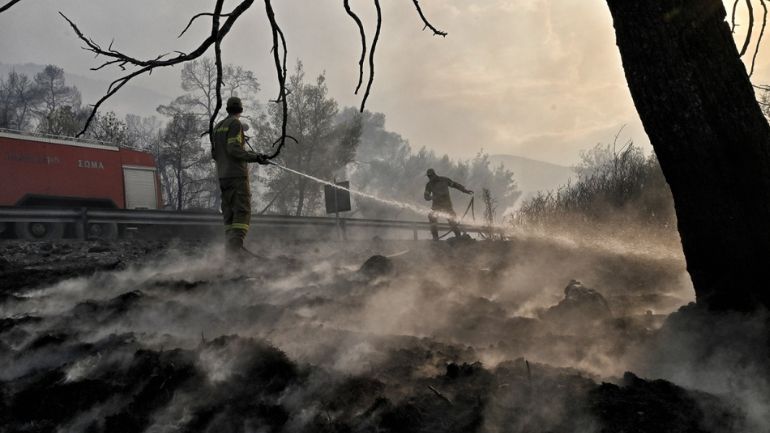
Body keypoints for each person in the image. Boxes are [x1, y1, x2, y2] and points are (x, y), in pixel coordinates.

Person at [212, 96, 268, 257]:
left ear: (227, 109)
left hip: (223, 177)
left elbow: (215, 154)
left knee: (229, 214)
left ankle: (230, 254)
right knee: (242, 211)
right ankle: (236, 248)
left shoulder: (218, 127)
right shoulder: (235, 124)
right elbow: (233, 149)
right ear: (241, 110)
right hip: (236, 176)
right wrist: (256, 157)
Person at [423, 168, 473, 241]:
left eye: (430, 176)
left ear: (434, 175)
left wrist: (465, 190)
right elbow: (426, 196)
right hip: (436, 207)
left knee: (452, 222)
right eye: (428, 176)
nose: (429, 178)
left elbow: (455, 185)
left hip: (447, 206)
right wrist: (430, 197)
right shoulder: (429, 185)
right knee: (432, 218)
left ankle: (458, 237)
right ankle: (435, 238)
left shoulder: (444, 180)